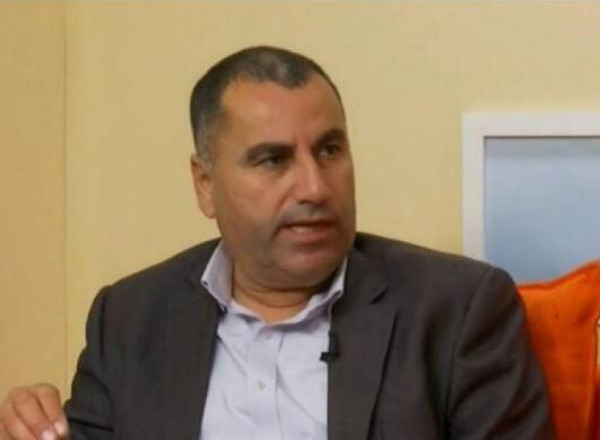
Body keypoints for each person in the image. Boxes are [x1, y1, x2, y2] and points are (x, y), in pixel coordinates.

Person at [0, 46, 553, 440]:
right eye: (273, 159)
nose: (314, 187)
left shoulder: (458, 310)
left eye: (330, 150)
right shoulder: (129, 318)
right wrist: (34, 426)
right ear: (205, 184)